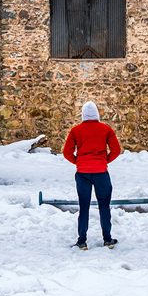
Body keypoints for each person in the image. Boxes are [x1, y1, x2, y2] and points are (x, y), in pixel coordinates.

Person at [62, 101, 122, 250]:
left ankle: (82, 241)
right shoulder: (105, 129)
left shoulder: (76, 130)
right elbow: (116, 150)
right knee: (104, 205)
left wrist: (78, 162)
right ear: (97, 113)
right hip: (101, 172)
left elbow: (66, 152)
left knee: (84, 206)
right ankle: (107, 239)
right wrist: (104, 161)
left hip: (82, 173)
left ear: (83, 114)